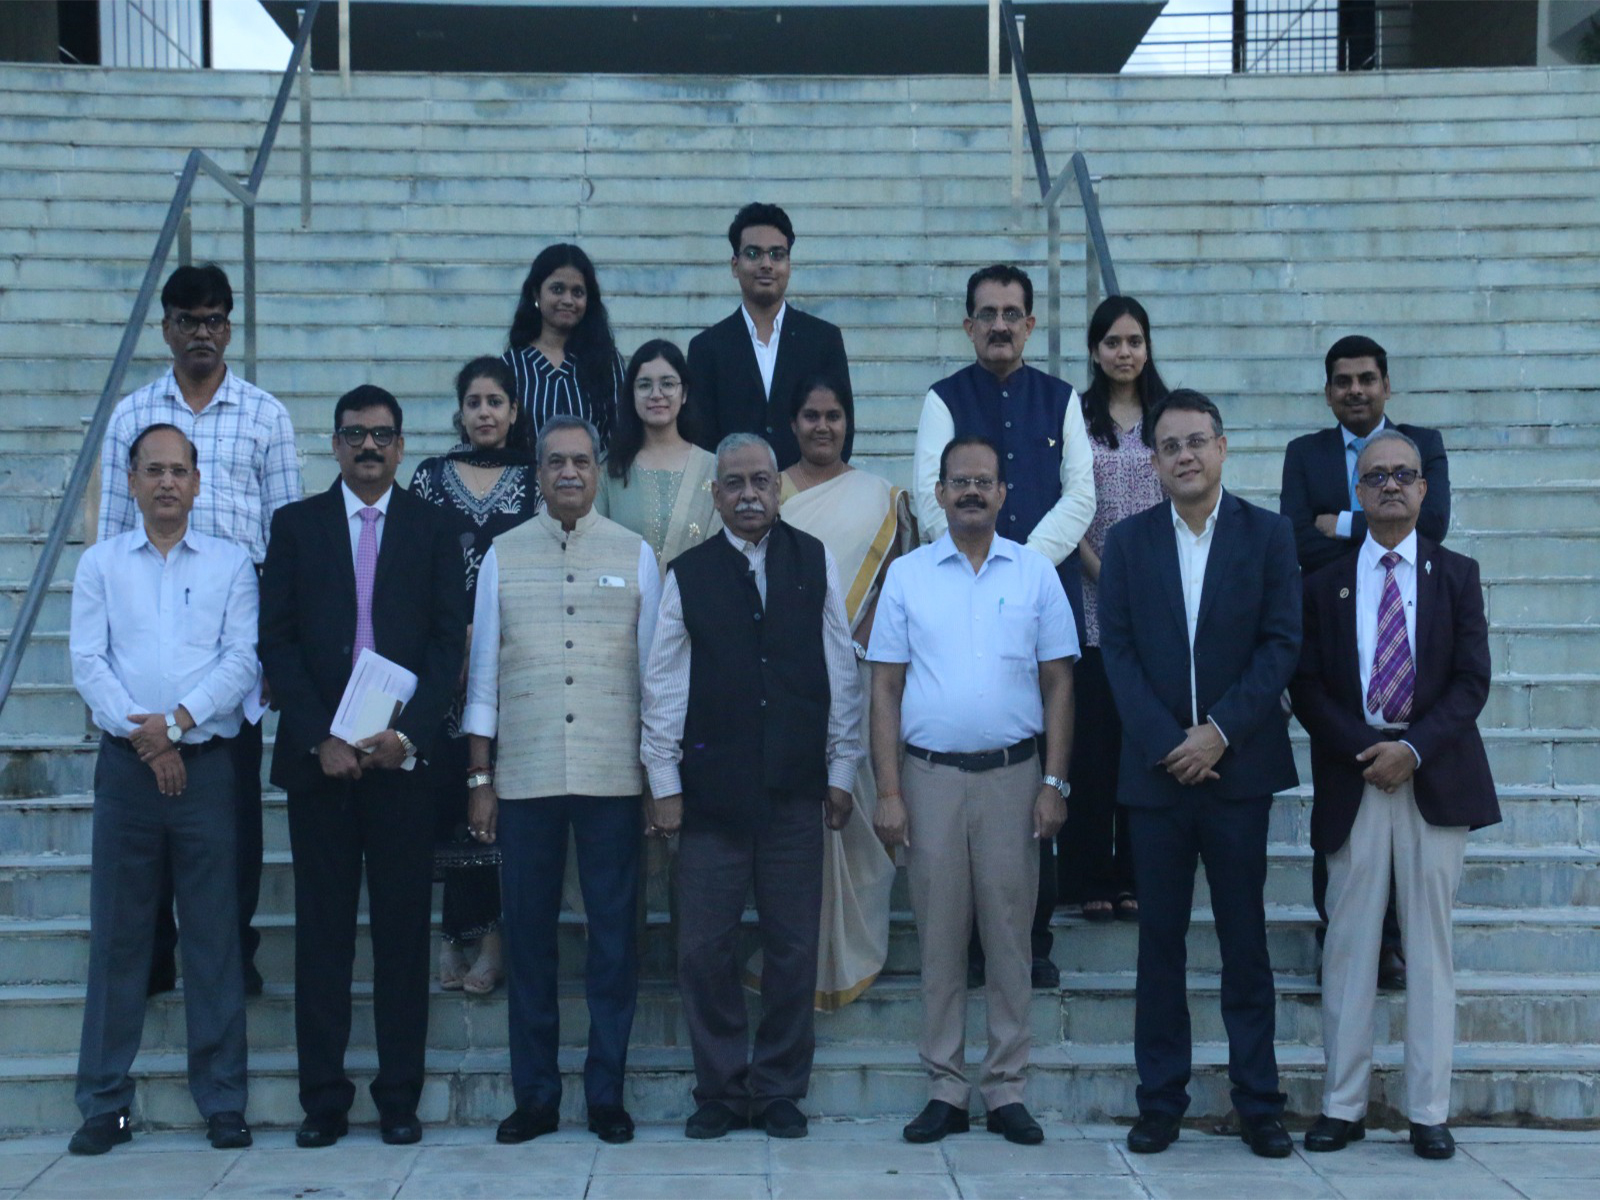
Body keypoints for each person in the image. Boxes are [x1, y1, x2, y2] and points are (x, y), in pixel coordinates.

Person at [259, 386, 468, 1149]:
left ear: (402, 444)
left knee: (404, 937)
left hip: (402, 769)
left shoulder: (434, 529)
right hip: (321, 765)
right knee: (323, 938)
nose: (370, 446)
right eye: (355, 435)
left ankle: (399, 1099)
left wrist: (407, 737)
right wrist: (322, 735)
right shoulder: (296, 527)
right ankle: (323, 1101)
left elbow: (450, 646)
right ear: (335, 444)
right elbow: (275, 640)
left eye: (383, 434)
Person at [640, 433, 863, 1141]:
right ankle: (720, 1089)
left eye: (761, 481)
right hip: (710, 796)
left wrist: (840, 770)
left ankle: (778, 1090)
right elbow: (664, 683)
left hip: (796, 791)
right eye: (733, 483)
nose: (748, 494)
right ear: (715, 494)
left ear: (779, 488)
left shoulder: (812, 560)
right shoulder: (690, 571)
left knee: (794, 946)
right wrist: (664, 781)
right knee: (703, 948)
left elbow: (840, 671)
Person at [1097, 390, 1301, 1159]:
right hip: (1156, 781)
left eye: (1196, 441)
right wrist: (1168, 743)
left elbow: (1281, 645)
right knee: (1160, 947)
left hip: (1238, 773)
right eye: (1168, 444)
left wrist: (1217, 734)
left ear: (1222, 447)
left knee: (1245, 943)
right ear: (1152, 461)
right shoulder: (1127, 542)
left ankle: (1259, 1102)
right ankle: (1160, 1101)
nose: (1184, 455)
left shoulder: (1268, 535)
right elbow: (1115, 652)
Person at [1290, 430, 1499, 1162]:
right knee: (1347, 948)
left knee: (1429, 948)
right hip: (1356, 775)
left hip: (1434, 777)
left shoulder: (1458, 575)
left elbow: (1473, 680)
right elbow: (1306, 684)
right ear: (1357, 492)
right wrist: (1367, 749)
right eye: (1375, 475)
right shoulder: (1324, 584)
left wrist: (1411, 748)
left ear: (1423, 490)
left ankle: (1428, 1110)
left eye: (1403, 475)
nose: (1389, 486)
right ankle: (1342, 1105)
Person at [98, 262, 301, 998]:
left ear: (231, 324)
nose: (203, 334)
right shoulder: (131, 416)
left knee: (232, 813)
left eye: (216, 319)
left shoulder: (264, 415)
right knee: (146, 810)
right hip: (146, 643)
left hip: (229, 648)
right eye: (189, 321)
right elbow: (108, 543)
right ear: (166, 328)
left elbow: (286, 539)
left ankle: (230, 951)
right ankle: (152, 952)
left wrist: (276, 649)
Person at [869, 434, 1076, 1147]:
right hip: (928, 779)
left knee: (1011, 937)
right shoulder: (910, 577)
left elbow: (1059, 683)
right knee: (940, 939)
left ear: (1004, 493)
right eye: (959, 482)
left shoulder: (1035, 574)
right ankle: (946, 1088)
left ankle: (1008, 1088)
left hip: (1016, 779)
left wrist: (1054, 781)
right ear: (940, 492)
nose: (971, 493)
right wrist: (889, 790)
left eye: (984, 482)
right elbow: (885, 688)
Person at [461, 415, 660, 1147]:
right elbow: (482, 675)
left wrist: (654, 777)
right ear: (536, 474)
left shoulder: (636, 555)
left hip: (612, 776)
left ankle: (606, 1093)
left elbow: (655, 680)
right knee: (531, 939)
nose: (569, 472)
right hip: (527, 776)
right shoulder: (503, 556)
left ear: (599, 469)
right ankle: (536, 1096)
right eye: (555, 462)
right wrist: (481, 773)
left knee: (613, 941)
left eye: (581, 460)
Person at [68, 423, 258, 1154]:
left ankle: (223, 1102)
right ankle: (104, 1105)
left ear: (198, 482)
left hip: (206, 769)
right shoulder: (103, 565)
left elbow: (241, 661)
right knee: (120, 938)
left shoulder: (231, 564)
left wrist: (175, 726)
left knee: (212, 939)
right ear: (133, 480)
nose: (167, 483)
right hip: (125, 772)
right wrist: (146, 738)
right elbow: (88, 660)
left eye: (180, 470)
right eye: (154, 471)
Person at [912, 263, 1095, 990]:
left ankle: (1031, 935)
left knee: (1033, 764)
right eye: (985, 313)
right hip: (958, 595)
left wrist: (1020, 563)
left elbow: (1081, 493)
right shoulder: (943, 400)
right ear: (967, 325)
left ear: (1030, 323)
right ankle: (963, 941)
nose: (999, 324)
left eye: (1012, 313)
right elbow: (933, 499)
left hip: (1037, 597)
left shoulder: (1061, 399)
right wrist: (978, 559)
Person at [1281, 334, 1452, 991]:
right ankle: (1342, 935)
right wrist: (1375, 527)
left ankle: (1399, 940)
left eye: (1366, 379)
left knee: (1414, 807)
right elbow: (1294, 534)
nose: (1355, 390)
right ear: (1328, 392)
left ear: (1386, 386)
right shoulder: (1306, 454)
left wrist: (1344, 524)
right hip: (1335, 637)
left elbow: (1431, 524)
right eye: (1342, 381)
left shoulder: (1422, 443)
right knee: (1341, 794)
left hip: (1410, 638)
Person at [776, 377, 912, 1010]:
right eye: (811, 415)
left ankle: (855, 949)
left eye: (833, 416)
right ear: (794, 422)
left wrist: (856, 637)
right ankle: (802, 953)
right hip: (781, 680)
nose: (822, 426)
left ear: (847, 423)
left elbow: (897, 585)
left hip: (858, 674)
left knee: (854, 811)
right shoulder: (765, 490)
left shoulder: (883, 498)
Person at [409, 357, 536, 995]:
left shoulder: (539, 477)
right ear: (460, 411)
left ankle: (493, 941)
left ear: (514, 411)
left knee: (499, 806)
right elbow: (412, 561)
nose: (485, 412)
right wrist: (448, 637)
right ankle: (450, 938)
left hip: (514, 661)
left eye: (496, 401)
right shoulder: (430, 479)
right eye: (474, 401)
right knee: (450, 802)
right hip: (444, 665)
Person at [1063, 296, 1168, 924]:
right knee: (1093, 748)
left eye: (1133, 340)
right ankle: (1086, 875)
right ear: (1095, 350)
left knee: (1145, 746)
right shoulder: (1076, 417)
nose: (1123, 352)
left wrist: (1141, 584)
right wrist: (1104, 571)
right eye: (1112, 342)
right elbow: (1066, 502)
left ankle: (1135, 873)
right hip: (1090, 599)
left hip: (1159, 606)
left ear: (1147, 346)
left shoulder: (1170, 415)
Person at [688, 203, 854, 470]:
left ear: (789, 264)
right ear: (735, 265)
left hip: (808, 496)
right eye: (754, 253)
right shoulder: (707, 348)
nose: (766, 264)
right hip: (735, 500)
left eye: (777, 255)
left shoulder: (824, 340)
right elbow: (701, 438)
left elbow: (843, 430)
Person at [596, 338, 722, 569]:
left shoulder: (713, 467)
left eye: (667, 384)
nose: (656, 394)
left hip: (696, 600)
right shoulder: (608, 469)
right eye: (644, 385)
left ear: (684, 393)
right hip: (626, 600)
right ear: (631, 395)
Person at [502, 243, 624, 466]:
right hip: (525, 493)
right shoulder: (510, 367)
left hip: (592, 495)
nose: (568, 300)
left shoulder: (608, 363)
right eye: (557, 289)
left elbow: (620, 436)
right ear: (536, 293)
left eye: (577, 292)